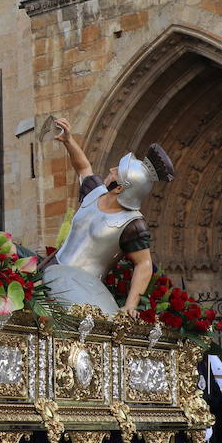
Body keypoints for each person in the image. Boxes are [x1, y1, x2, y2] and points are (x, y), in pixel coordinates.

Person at [39, 117, 173, 315]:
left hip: (81, 290)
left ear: (120, 188)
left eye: (116, 171)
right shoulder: (95, 191)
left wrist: (130, 304)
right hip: (52, 267)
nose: (111, 170)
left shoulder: (133, 224)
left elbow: (143, 263)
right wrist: (69, 141)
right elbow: (84, 168)